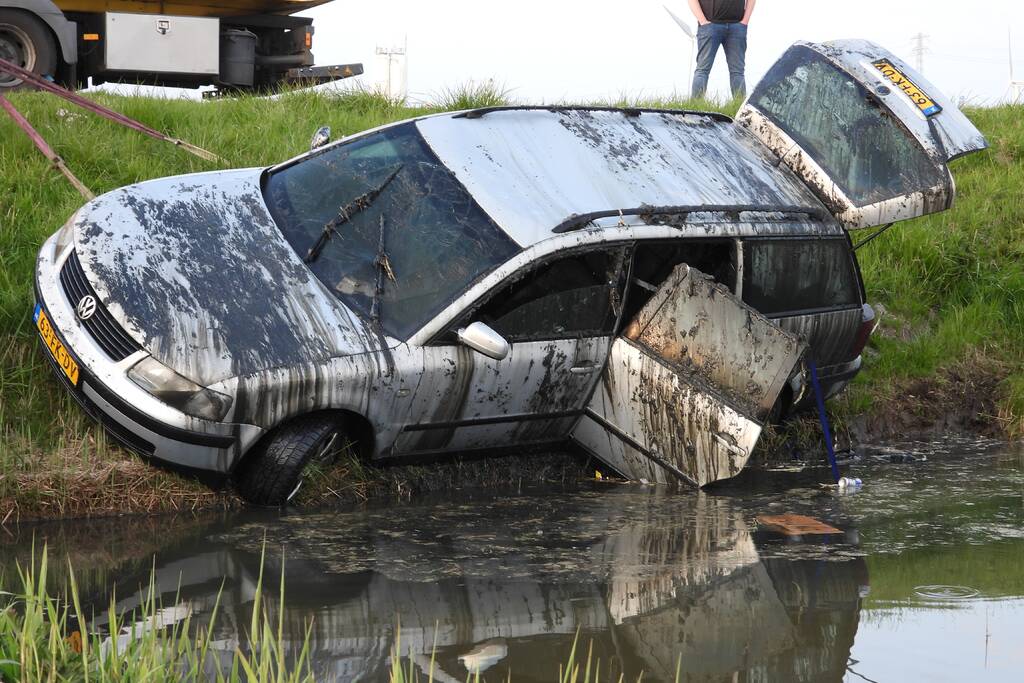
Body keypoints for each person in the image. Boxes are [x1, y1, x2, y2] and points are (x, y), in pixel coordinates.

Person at [688, 0, 757, 99]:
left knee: (737, 72)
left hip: (736, 26)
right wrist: (703, 21)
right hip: (710, 26)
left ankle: (739, 109)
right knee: (702, 70)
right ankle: (695, 109)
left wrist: (745, 21)